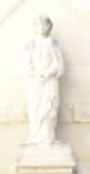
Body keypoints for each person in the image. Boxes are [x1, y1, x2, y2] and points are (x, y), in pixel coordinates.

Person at [24, 13, 64, 148]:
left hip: (50, 80)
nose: (41, 27)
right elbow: (26, 64)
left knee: (49, 107)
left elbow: (59, 64)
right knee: (35, 107)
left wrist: (48, 74)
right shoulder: (31, 44)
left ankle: (48, 137)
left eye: (44, 24)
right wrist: (36, 75)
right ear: (34, 27)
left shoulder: (52, 43)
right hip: (35, 82)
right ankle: (35, 135)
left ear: (48, 26)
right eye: (38, 24)